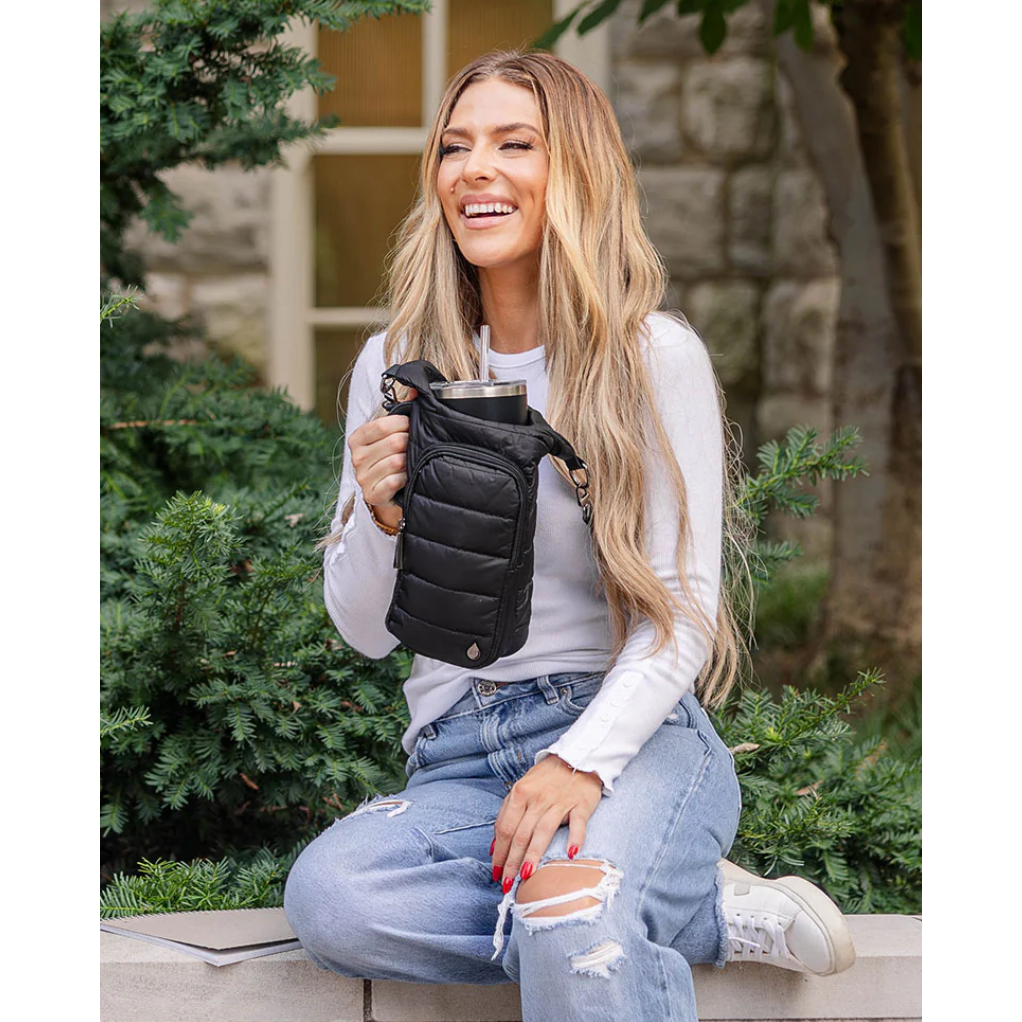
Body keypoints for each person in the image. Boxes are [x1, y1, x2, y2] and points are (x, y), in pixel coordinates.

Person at [284, 50, 855, 1021]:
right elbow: (364, 630)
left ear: (576, 172)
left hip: (627, 739)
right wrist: (381, 518)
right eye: (455, 146)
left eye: (515, 144)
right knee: (335, 898)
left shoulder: (650, 356)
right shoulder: (396, 363)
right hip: (457, 753)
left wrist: (577, 759)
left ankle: (600, 889)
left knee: (568, 908)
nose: (476, 168)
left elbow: (682, 614)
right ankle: (690, 903)